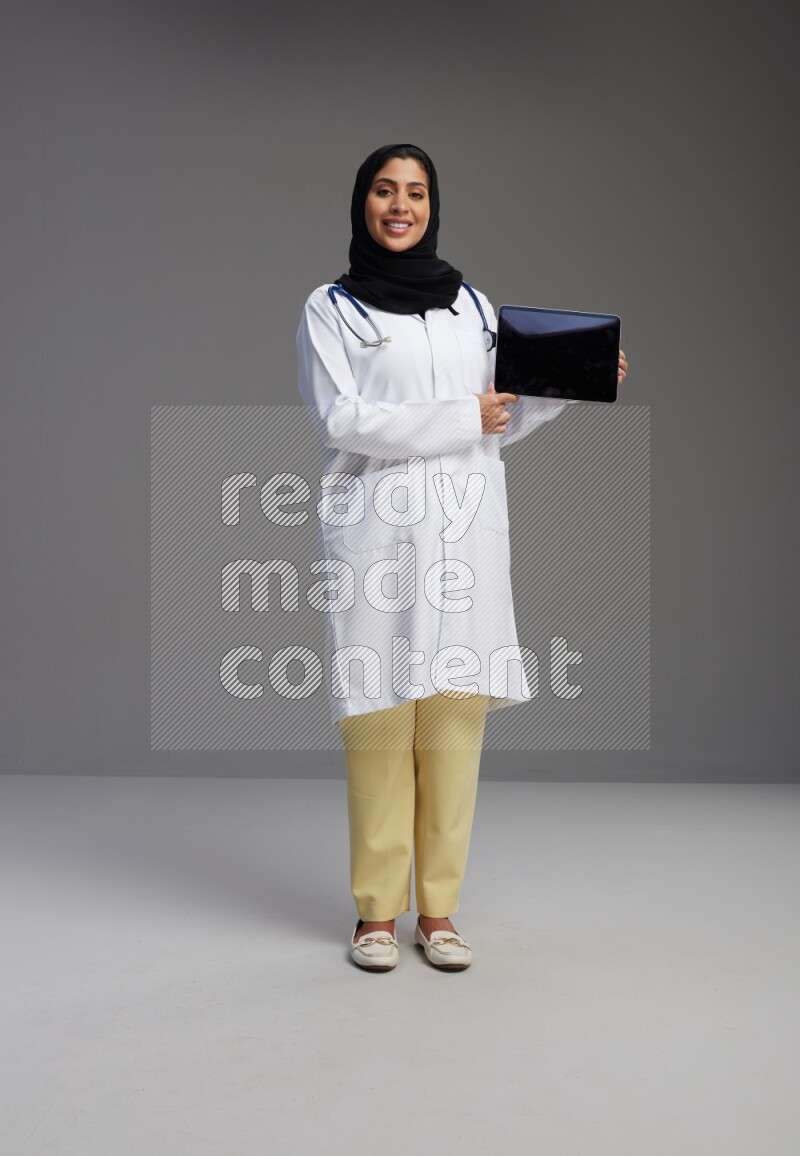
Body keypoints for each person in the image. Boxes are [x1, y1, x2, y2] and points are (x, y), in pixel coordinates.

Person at [296, 143, 629, 972]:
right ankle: (377, 916)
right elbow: (341, 418)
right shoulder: (332, 308)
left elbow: (500, 416)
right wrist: (460, 416)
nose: (399, 206)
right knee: (379, 722)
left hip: (465, 533)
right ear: (362, 203)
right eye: (384, 190)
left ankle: (438, 912)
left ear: (433, 206)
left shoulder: (471, 307)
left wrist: (574, 377)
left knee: (452, 726)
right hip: (379, 532)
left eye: (415, 192)